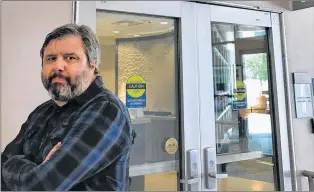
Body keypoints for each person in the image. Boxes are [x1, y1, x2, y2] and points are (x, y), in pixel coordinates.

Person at [1, 23, 135, 191]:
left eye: (70, 58)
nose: (58, 66)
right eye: (50, 58)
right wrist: (31, 170)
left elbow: (41, 186)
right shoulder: (42, 112)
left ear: (93, 63)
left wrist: (14, 164)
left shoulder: (107, 110)